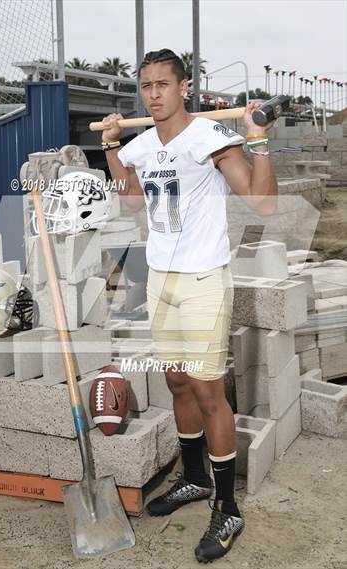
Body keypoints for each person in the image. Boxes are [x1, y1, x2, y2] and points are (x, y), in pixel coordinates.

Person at [101, 48, 277, 564]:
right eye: (146, 85)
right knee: (176, 381)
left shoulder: (209, 137)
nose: (153, 94)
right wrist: (112, 148)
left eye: (163, 84)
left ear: (184, 88)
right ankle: (196, 478)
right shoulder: (140, 144)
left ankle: (227, 506)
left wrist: (259, 139)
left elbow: (262, 203)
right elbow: (130, 202)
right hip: (161, 278)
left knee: (207, 392)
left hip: (202, 278)